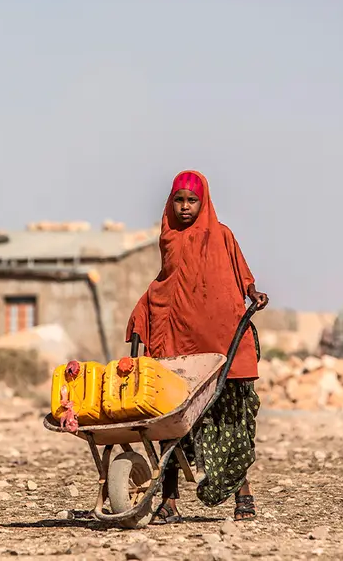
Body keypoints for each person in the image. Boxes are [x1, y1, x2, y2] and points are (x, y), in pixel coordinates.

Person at [126, 170, 269, 525]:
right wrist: (141, 317)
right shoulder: (169, 239)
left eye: (192, 201)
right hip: (180, 347)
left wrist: (252, 293)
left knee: (232, 423)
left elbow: (241, 276)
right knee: (171, 421)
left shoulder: (222, 236)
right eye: (180, 200)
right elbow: (164, 285)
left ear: (203, 203)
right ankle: (169, 501)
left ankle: (244, 495)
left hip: (222, 344)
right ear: (170, 203)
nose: (186, 207)